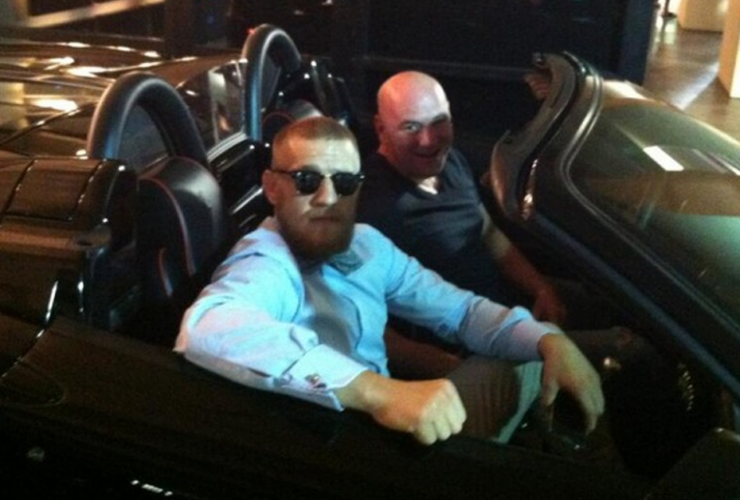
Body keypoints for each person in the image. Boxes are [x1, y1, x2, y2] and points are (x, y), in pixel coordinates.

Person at [175, 116, 603, 446]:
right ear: (272, 188)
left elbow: (461, 311)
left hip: (393, 423)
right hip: (344, 443)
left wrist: (550, 340)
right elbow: (209, 325)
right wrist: (378, 392)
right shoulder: (266, 258)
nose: (328, 197)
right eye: (307, 180)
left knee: (533, 351)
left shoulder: (367, 244)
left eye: (345, 183)